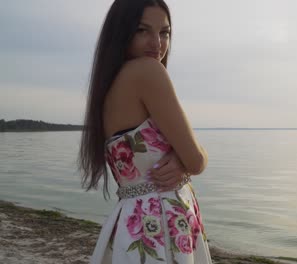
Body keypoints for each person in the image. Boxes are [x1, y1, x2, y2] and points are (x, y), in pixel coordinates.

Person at [78, 0, 212, 263]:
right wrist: (185, 160)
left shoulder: (109, 86)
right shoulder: (148, 71)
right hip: (160, 224)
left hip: (130, 222)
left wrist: (180, 159)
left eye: (164, 32)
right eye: (142, 30)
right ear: (121, 32)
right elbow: (196, 160)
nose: (157, 43)